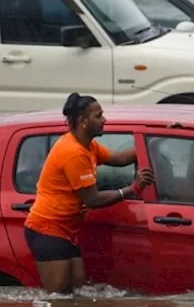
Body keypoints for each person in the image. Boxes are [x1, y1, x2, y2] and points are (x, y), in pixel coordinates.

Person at [24, 93, 154, 294]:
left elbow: (119, 158)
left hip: (65, 232)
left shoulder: (88, 146)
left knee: (79, 291)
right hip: (47, 230)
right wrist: (132, 189)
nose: (104, 120)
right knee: (57, 301)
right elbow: (92, 199)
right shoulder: (74, 152)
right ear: (83, 121)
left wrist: (153, 142)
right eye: (98, 116)